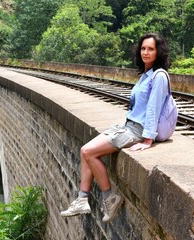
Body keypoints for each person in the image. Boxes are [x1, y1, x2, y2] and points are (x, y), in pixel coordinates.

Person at [60, 33, 170, 223]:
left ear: (158, 52)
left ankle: (109, 197)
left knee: (88, 151)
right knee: (85, 150)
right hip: (128, 126)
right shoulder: (146, 75)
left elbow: (153, 107)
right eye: (143, 48)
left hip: (137, 131)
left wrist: (148, 140)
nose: (146, 52)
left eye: (151, 49)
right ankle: (82, 199)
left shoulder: (159, 76)